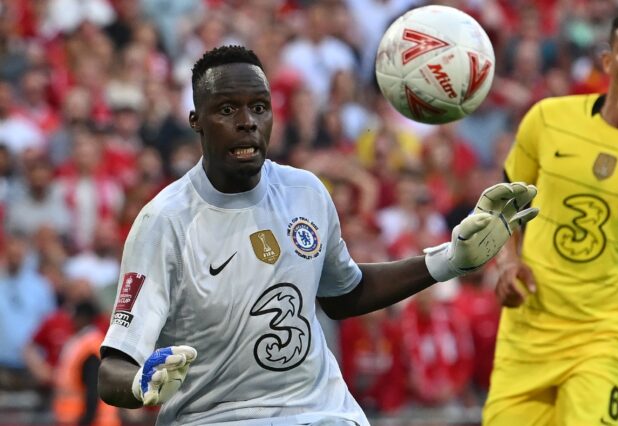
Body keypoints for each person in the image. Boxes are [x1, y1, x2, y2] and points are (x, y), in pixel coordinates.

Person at [97, 45, 538, 425]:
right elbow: (113, 367)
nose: (247, 121)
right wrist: (139, 383)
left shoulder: (305, 192)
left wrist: (449, 261)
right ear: (196, 120)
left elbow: (343, 293)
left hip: (324, 412)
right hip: (218, 416)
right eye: (227, 109)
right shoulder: (164, 222)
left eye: (259, 106)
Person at [482, 9, 618, 426]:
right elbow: (505, 201)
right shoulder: (549, 119)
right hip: (527, 333)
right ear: (608, 62)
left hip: (604, 337)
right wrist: (508, 261)